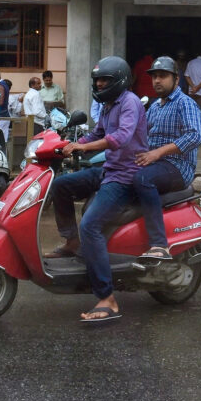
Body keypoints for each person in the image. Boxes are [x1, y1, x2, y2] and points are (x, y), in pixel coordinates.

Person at [45, 56, 148, 323]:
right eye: (98, 80)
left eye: (105, 80)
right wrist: (68, 143)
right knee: (60, 186)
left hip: (125, 176)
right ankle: (71, 241)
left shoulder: (130, 103)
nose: (100, 84)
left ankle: (107, 298)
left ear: (120, 81)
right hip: (108, 170)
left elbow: (122, 137)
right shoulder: (108, 104)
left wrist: (85, 148)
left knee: (91, 226)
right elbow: (96, 134)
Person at [132, 55, 201, 260]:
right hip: (155, 163)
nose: (157, 81)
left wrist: (158, 152)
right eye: (154, 77)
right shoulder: (154, 106)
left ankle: (159, 244)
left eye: (163, 76)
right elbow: (142, 135)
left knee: (143, 179)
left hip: (178, 166)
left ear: (176, 79)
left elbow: (194, 136)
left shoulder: (185, 104)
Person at [185, 52, 201, 134]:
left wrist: (193, 87)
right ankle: (200, 130)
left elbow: (186, 76)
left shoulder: (190, 63)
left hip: (192, 92)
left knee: (191, 111)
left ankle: (191, 129)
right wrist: (198, 87)